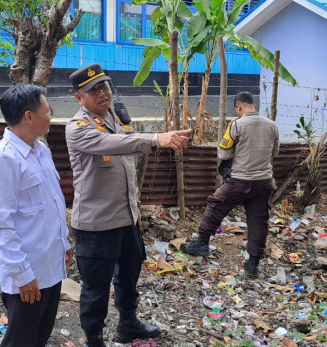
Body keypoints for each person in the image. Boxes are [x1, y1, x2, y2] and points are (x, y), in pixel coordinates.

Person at [65, 63, 192, 347]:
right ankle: (94, 340)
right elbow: (111, 144)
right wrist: (157, 138)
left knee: (128, 277)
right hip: (97, 225)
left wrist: (134, 213)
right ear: (79, 98)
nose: (101, 93)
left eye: (104, 86)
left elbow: (125, 158)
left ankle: (127, 325)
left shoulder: (116, 117)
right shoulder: (78, 128)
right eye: (92, 90)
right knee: (96, 289)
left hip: (126, 219)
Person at [0, 84, 73, 347]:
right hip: (28, 275)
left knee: (39, 337)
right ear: (29, 116)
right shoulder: (3, 159)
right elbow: (0, 224)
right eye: (47, 110)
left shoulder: (40, 150)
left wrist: (64, 242)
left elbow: (52, 202)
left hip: (50, 266)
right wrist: (21, 274)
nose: (51, 116)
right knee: (21, 341)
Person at [181, 91, 279, 279]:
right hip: (264, 182)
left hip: (240, 181)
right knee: (258, 221)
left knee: (215, 204)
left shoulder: (236, 124)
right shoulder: (272, 125)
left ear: (239, 107)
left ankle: (202, 243)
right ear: (254, 106)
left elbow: (224, 154)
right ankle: (253, 265)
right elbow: (275, 152)